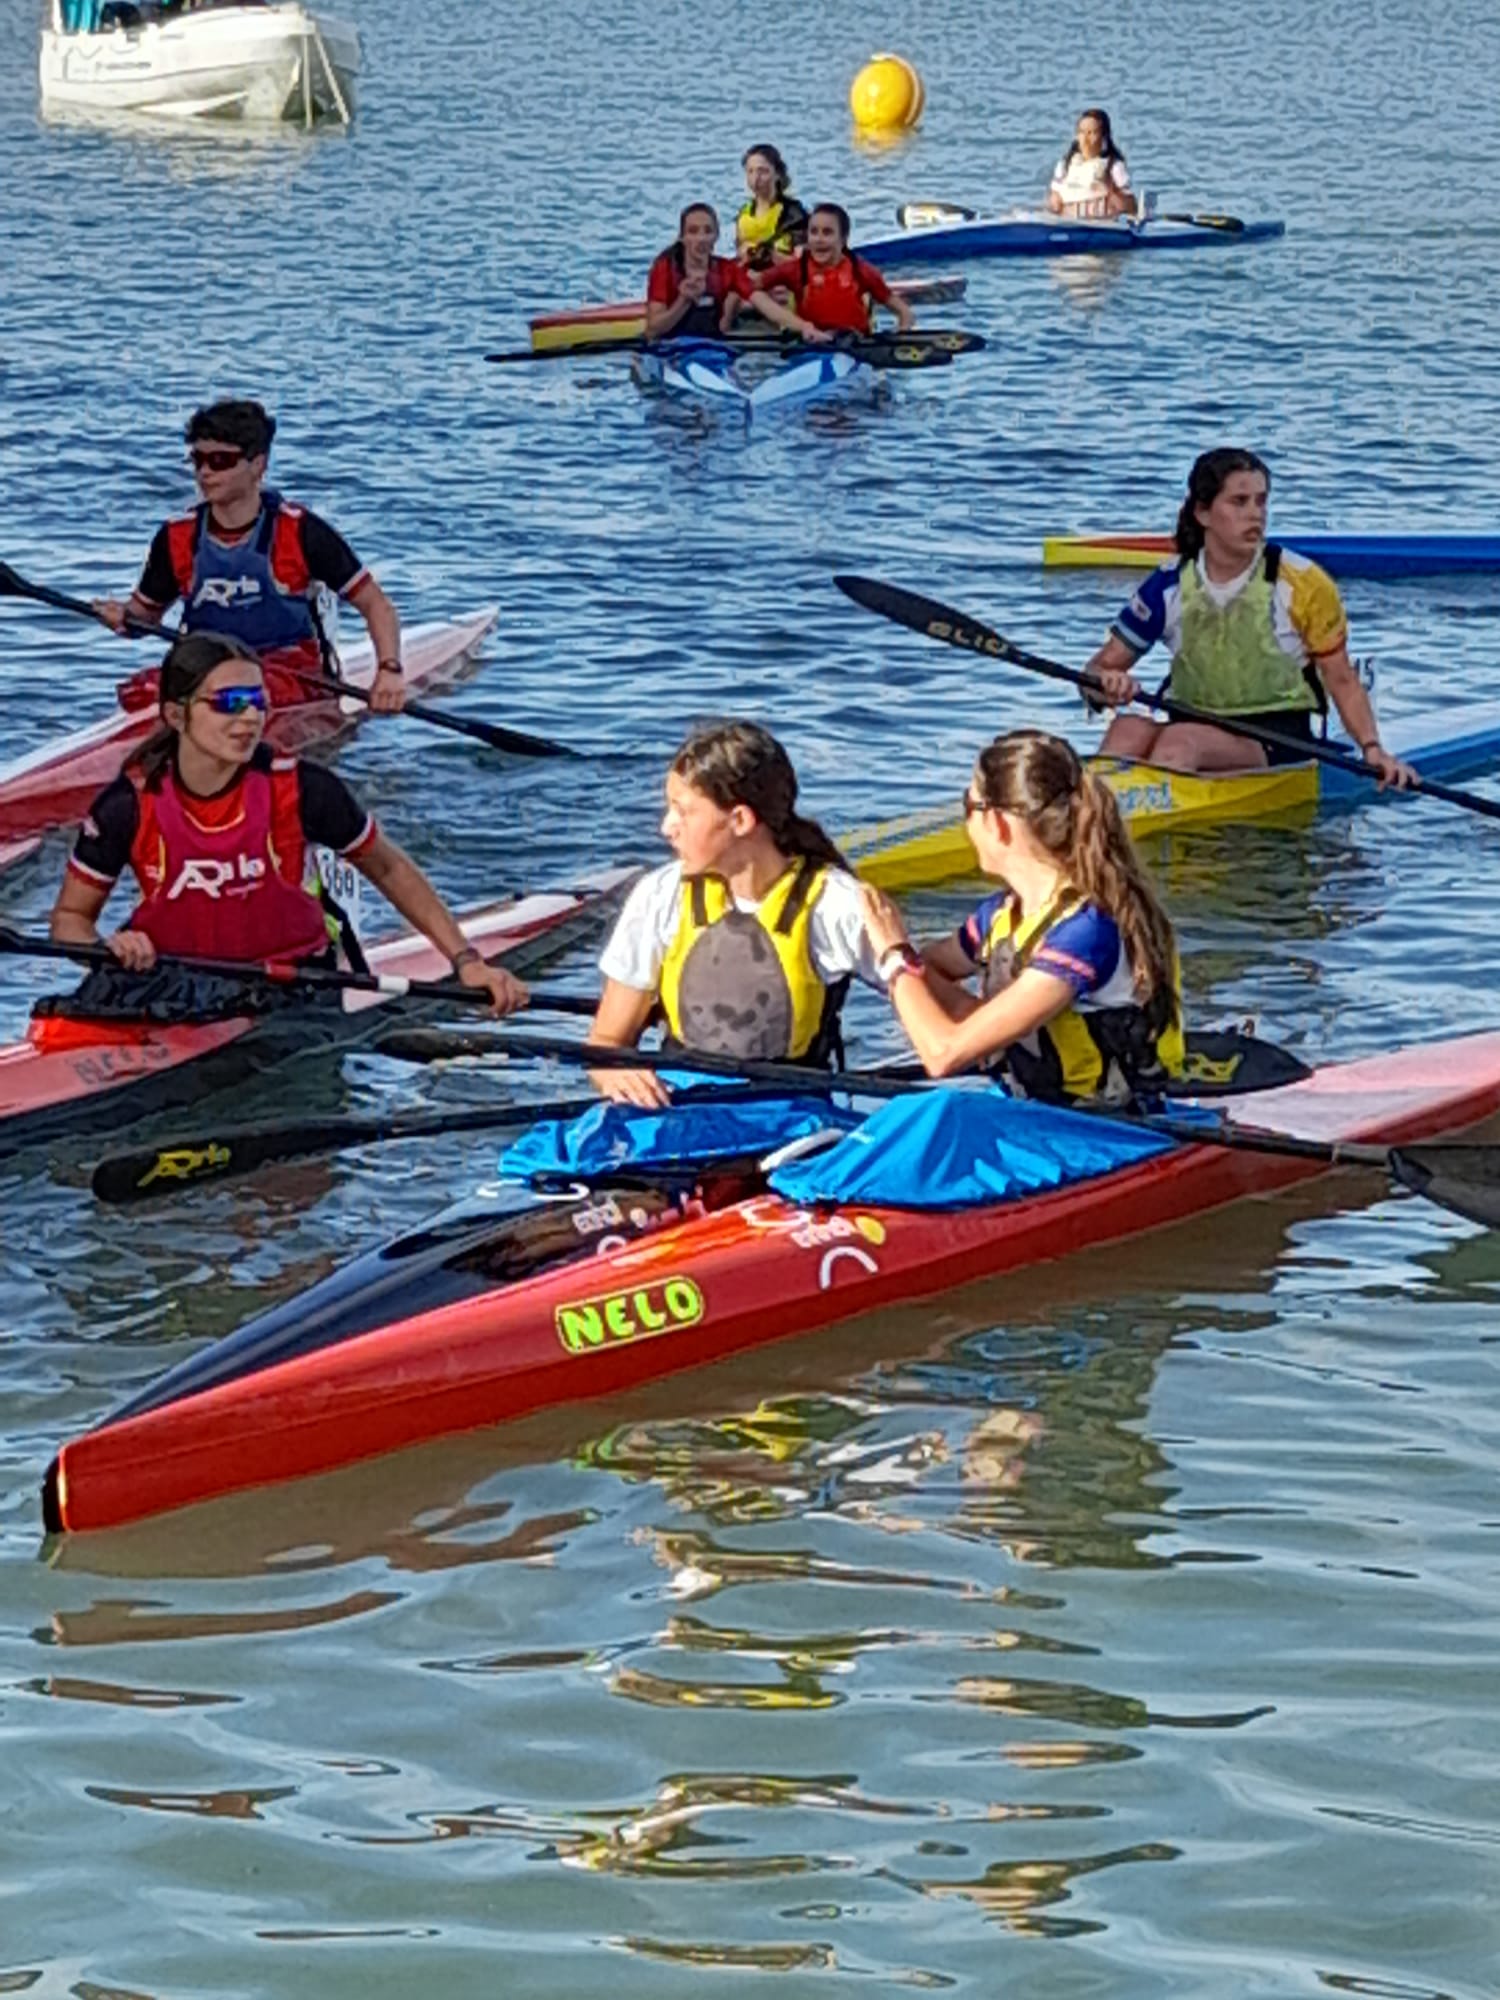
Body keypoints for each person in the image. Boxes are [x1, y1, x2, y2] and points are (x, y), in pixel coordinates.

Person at [42, 632, 524, 1029]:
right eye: (229, 703)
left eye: (257, 702)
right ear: (175, 714)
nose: (249, 717)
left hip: (290, 986)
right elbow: (69, 920)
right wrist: (105, 948)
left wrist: (466, 961)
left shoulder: (304, 790)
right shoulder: (125, 805)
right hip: (172, 985)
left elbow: (389, 868)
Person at [861, 729, 1184, 1103]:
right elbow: (930, 968)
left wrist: (893, 956)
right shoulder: (1002, 914)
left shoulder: (1087, 932)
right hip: (1037, 1110)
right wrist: (982, 1020)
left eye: (968, 805)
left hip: (1105, 1123)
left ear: (997, 824)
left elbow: (941, 1055)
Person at [586, 720, 883, 1106]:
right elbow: (606, 1042)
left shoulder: (834, 903)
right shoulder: (661, 895)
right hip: (681, 1106)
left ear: (740, 820)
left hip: (790, 1114)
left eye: (683, 812)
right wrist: (615, 1073)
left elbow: (932, 1026)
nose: (666, 827)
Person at [1086, 448, 1416, 784]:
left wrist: (1373, 749)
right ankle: (1092, 817)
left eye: (1261, 501)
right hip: (1189, 722)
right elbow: (1096, 673)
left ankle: (1140, 822)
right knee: (1126, 728)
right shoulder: (1167, 584)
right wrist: (1106, 685)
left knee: (1181, 742)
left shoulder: (1302, 583)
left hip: (1279, 740)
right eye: (1239, 502)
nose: (1255, 515)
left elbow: (1342, 680)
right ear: (1203, 513)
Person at [93, 399, 406, 717]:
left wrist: (389, 670)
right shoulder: (177, 537)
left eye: (220, 461)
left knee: (232, 697)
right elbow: (143, 618)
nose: (204, 473)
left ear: (258, 465)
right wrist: (123, 618)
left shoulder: (301, 532)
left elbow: (376, 605)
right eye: (198, 460)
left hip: (288, 676)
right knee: (139, 691)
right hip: (206, 671)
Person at [743, 203, 914, 340]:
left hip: (854, 344)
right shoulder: (795, 269)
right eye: (813, 232)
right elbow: (748, 287)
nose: (819, 239)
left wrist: (901, 336)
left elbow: (904, 312)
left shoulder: (861, 271)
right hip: (810, 345)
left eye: (827, 233)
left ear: (844, 239)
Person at [644, 205, 747, 340]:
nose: (701, 238)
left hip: (713, 349)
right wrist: (684, 300)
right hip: (672, 349)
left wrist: (732, 304)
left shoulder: (727, 269)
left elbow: (757, 295)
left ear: (716, 236)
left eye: (708, 231)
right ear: (682, 237)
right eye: (693, 231)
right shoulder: (665, 269)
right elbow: (652, 330)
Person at [1046, 109, 1136, 218]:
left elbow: (1131, 206)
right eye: (1082, 132)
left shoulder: (1114, 167)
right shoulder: (1065, 166)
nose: (1085, 138)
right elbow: (1054, 201)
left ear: (1103, 137)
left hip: (1102, 227)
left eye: (1092, 133)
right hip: (1070, 225)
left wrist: (1110, 194)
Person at [735, 145, 809, 270]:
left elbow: (801, 263)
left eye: (762, 171)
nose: (755, 178)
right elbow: (739, 254)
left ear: (777, 174)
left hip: (783, 280)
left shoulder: (793, 214)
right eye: (750, 171)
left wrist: (767, 255)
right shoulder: (744, 213)